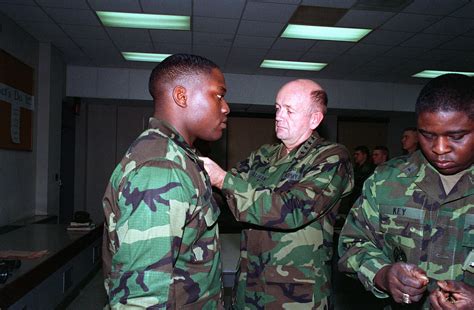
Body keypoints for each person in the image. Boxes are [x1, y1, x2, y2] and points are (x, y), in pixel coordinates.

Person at [201, 79, 354, 309]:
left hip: (294, 292)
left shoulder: (331, 158)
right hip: (250, 283)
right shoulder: (264, 154)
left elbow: (292, 210)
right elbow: (227, 196)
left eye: (289, 110)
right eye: (277, 108)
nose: (279, 116)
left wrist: (222, 179)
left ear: (314, 119)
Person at [102, 54, 230, 309]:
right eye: (218, 95)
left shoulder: (179, 157)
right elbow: (141, 298)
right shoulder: (162, 167)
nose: (226, 107)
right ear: (181, 96)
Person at [338, 73, 474, 309]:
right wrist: (383, 274)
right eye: (428, 135)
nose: (440, 149)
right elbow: (353, 243)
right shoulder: (388, 180)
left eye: (457, 136)